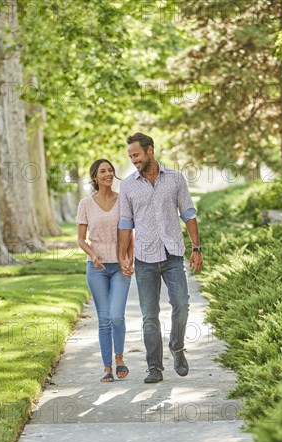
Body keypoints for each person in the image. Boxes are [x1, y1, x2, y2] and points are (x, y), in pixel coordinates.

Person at [117, 133, 203, 384]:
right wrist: (123, 255)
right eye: (130, 156)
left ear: (150, 151)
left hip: (173, 254)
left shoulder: (175, 178)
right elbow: (125, 223)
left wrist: (196, 249)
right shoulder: (128, 185)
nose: (133, 160)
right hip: (144, 257)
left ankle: (177, 347)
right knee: (149, 315)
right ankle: (154, 367)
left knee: (182, 304)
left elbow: (188, 214)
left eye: (136, 155)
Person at [77, 159, 133, 382]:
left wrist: (129, 258)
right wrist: (93, 255)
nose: (109, 174)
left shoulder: (124, 201)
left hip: (120, 266)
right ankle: (107, 366)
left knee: (117, 316)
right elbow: (81, 240)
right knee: (104, 319)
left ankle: (120, 357)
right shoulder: (86, 204)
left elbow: (129, 234)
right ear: (95, 177)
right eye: (103, 171)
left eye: (110, 170)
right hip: (97, 268)